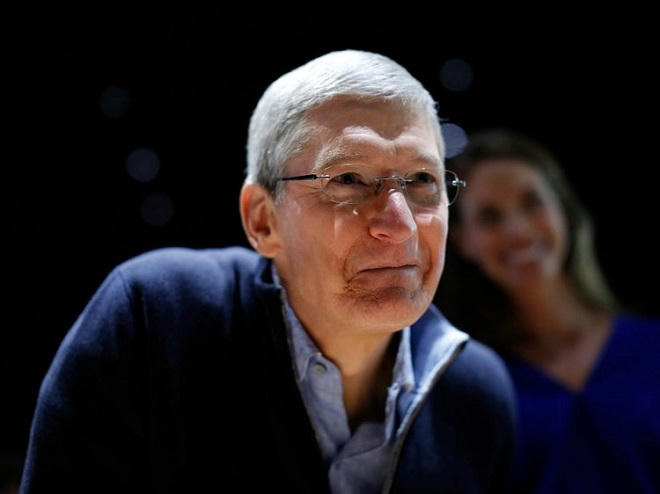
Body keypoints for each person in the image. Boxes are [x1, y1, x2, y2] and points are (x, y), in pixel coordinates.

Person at [20, 50, 516, 494]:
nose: (401, 224)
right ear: (263, 220)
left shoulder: (476, 394)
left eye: (423, 179)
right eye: (348, 179)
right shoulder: (153, 320)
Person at [436, 129, 660, 493]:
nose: (518, 230)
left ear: (563, 209)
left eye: (532, 202)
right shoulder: (475, 385)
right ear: (463, 242)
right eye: (490, 217)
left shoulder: (653, 346)